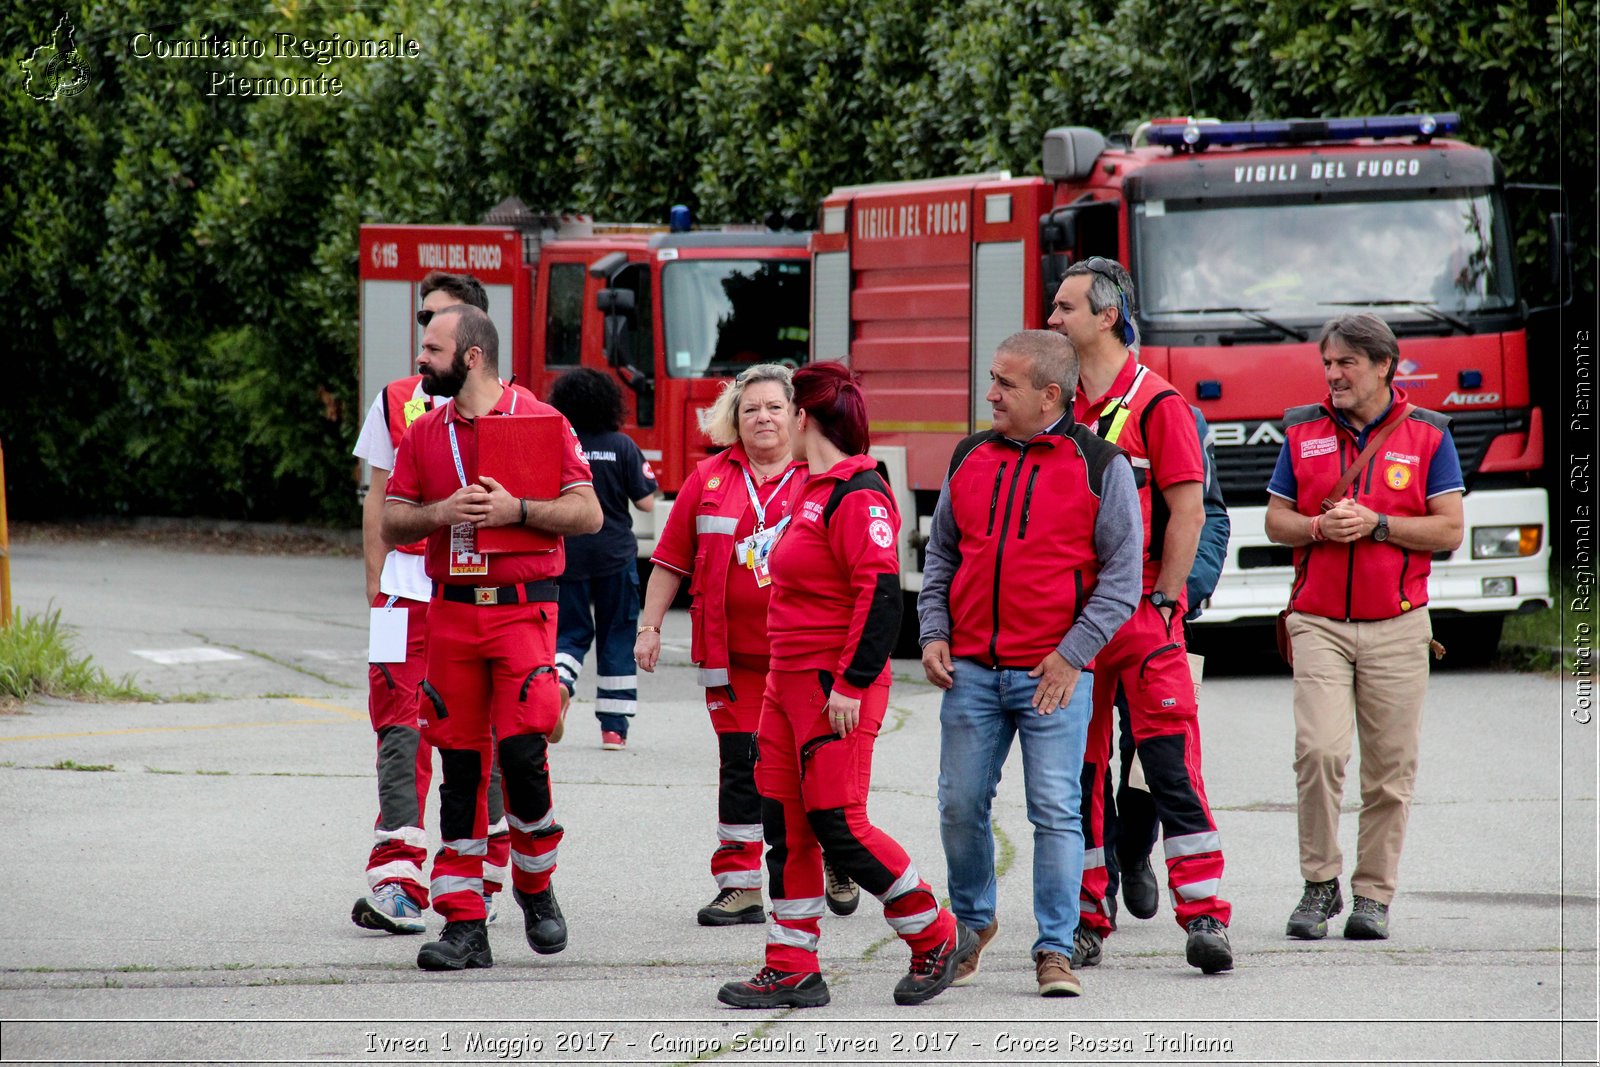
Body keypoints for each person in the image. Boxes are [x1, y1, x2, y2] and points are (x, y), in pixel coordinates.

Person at [717, 361, 974, 1010]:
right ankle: (791, 964)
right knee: (786, 825)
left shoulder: (857, 491)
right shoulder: (810, 485)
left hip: (835, 686)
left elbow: (882, 596)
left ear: (805, 418)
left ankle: (935, 933)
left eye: (785, 410)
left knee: (839, 824)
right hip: (786, 682)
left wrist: (853, 684)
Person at [919, 330, 1142, 997]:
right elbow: (941, 557)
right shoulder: (969, 456)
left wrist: (1072, 656)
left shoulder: (1102, 465)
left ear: (1051, 394)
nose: (990, 393)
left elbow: (1123, 579)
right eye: (992, 379)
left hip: (1053, 676)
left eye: (1005, 384)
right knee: (959, 805)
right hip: (972, 673)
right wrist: (933, 630)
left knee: (1054, 808)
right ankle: (973, 924)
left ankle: (1054, 948)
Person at [382, 304, 602, 971]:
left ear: (471, 355)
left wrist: (520, 511)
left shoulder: (542, 421)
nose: (421, 361)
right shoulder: (424, 434)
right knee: (459, 766)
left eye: (432, 349)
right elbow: (393, 520)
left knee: (524, 755)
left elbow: (588, 512)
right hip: (452, 612)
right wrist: (440, 514)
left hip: (520, 611)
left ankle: (536, 886)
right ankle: (464, 923)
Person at [1051, 256, 1233, 974]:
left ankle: (1207, 913)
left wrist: (1166, 599)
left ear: (1105, 316)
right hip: (1073, 627)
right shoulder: (1057, 404)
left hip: (1143, 619)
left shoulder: (1161, 405)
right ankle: (1089, 918)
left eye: (1065, 308)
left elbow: (1190, 509)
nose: (1052, 320)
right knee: (1082, 776)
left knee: (1168, 768)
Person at [636, 365, 860, 926]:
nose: (762, 417)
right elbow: (669, 560)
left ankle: (836, 855)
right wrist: (650, 626)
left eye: (774, 408)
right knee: (742, 765)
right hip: (733, 660)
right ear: (734, 417)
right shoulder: (709, 477)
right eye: (750, 408)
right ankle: (738, 886)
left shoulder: (822, 477)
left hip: (808, 659)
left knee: (815, 766)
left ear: (797, 416)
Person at [1264, 312, 1463, 941]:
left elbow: (1449, 530)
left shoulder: (1429, 434)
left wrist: (1378, 523)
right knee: (1319, 752)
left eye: (1346, 362)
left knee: (1390, 770)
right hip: (1317, 621)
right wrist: (1321, 527)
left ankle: (1373, 896)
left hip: (1400, 627)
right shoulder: (1301, 430)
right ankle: (1319, 884)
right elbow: (1276, 522)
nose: (1333, 374)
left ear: (1384, 365)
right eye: (1328, 363)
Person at [349, 271, 513, 935]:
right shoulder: (394, 400)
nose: (426, 338)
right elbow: (377, 496)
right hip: (403, 595)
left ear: (471, 338)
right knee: (398, 726)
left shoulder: (512, 406)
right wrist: (376, 584)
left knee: (486, 733)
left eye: (441, 323)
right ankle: (396, 875)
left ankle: (483, 871)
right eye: (425, 321)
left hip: (470, 594)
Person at [1107, 407, 1231, 922]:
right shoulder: (1059, 407)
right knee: (1079, 761)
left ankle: (1134, 854)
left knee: (1148, 759)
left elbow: (1211, 516)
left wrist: (1174, 594)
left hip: (1158, 615)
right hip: (1082, 620)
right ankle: (1098, 883)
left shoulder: (1174, 415)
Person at [548, 369, 658, 751]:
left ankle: (560, 684)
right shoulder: (621, 445)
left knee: (570, 634)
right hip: (615, 555)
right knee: (617, 635)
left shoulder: (560, 442)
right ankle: (614, 729)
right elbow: (646, 500)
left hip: (570, 554)